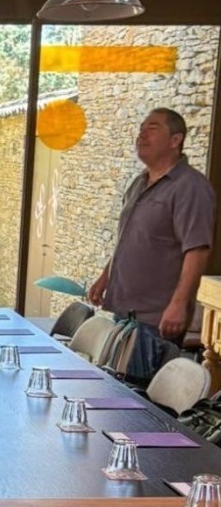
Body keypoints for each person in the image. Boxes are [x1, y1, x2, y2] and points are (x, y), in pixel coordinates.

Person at [88, 107, 216, 379]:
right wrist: (105, 277)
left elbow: (197, 250)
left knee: (137, 405)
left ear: (175, 140)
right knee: (114, 393)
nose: (141, 133)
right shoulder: (139, 183)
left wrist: (179, 304)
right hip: (125, 311)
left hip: (156, 318)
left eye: (153, 127)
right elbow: (131, 237)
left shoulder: (189, 187)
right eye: (141, 127)